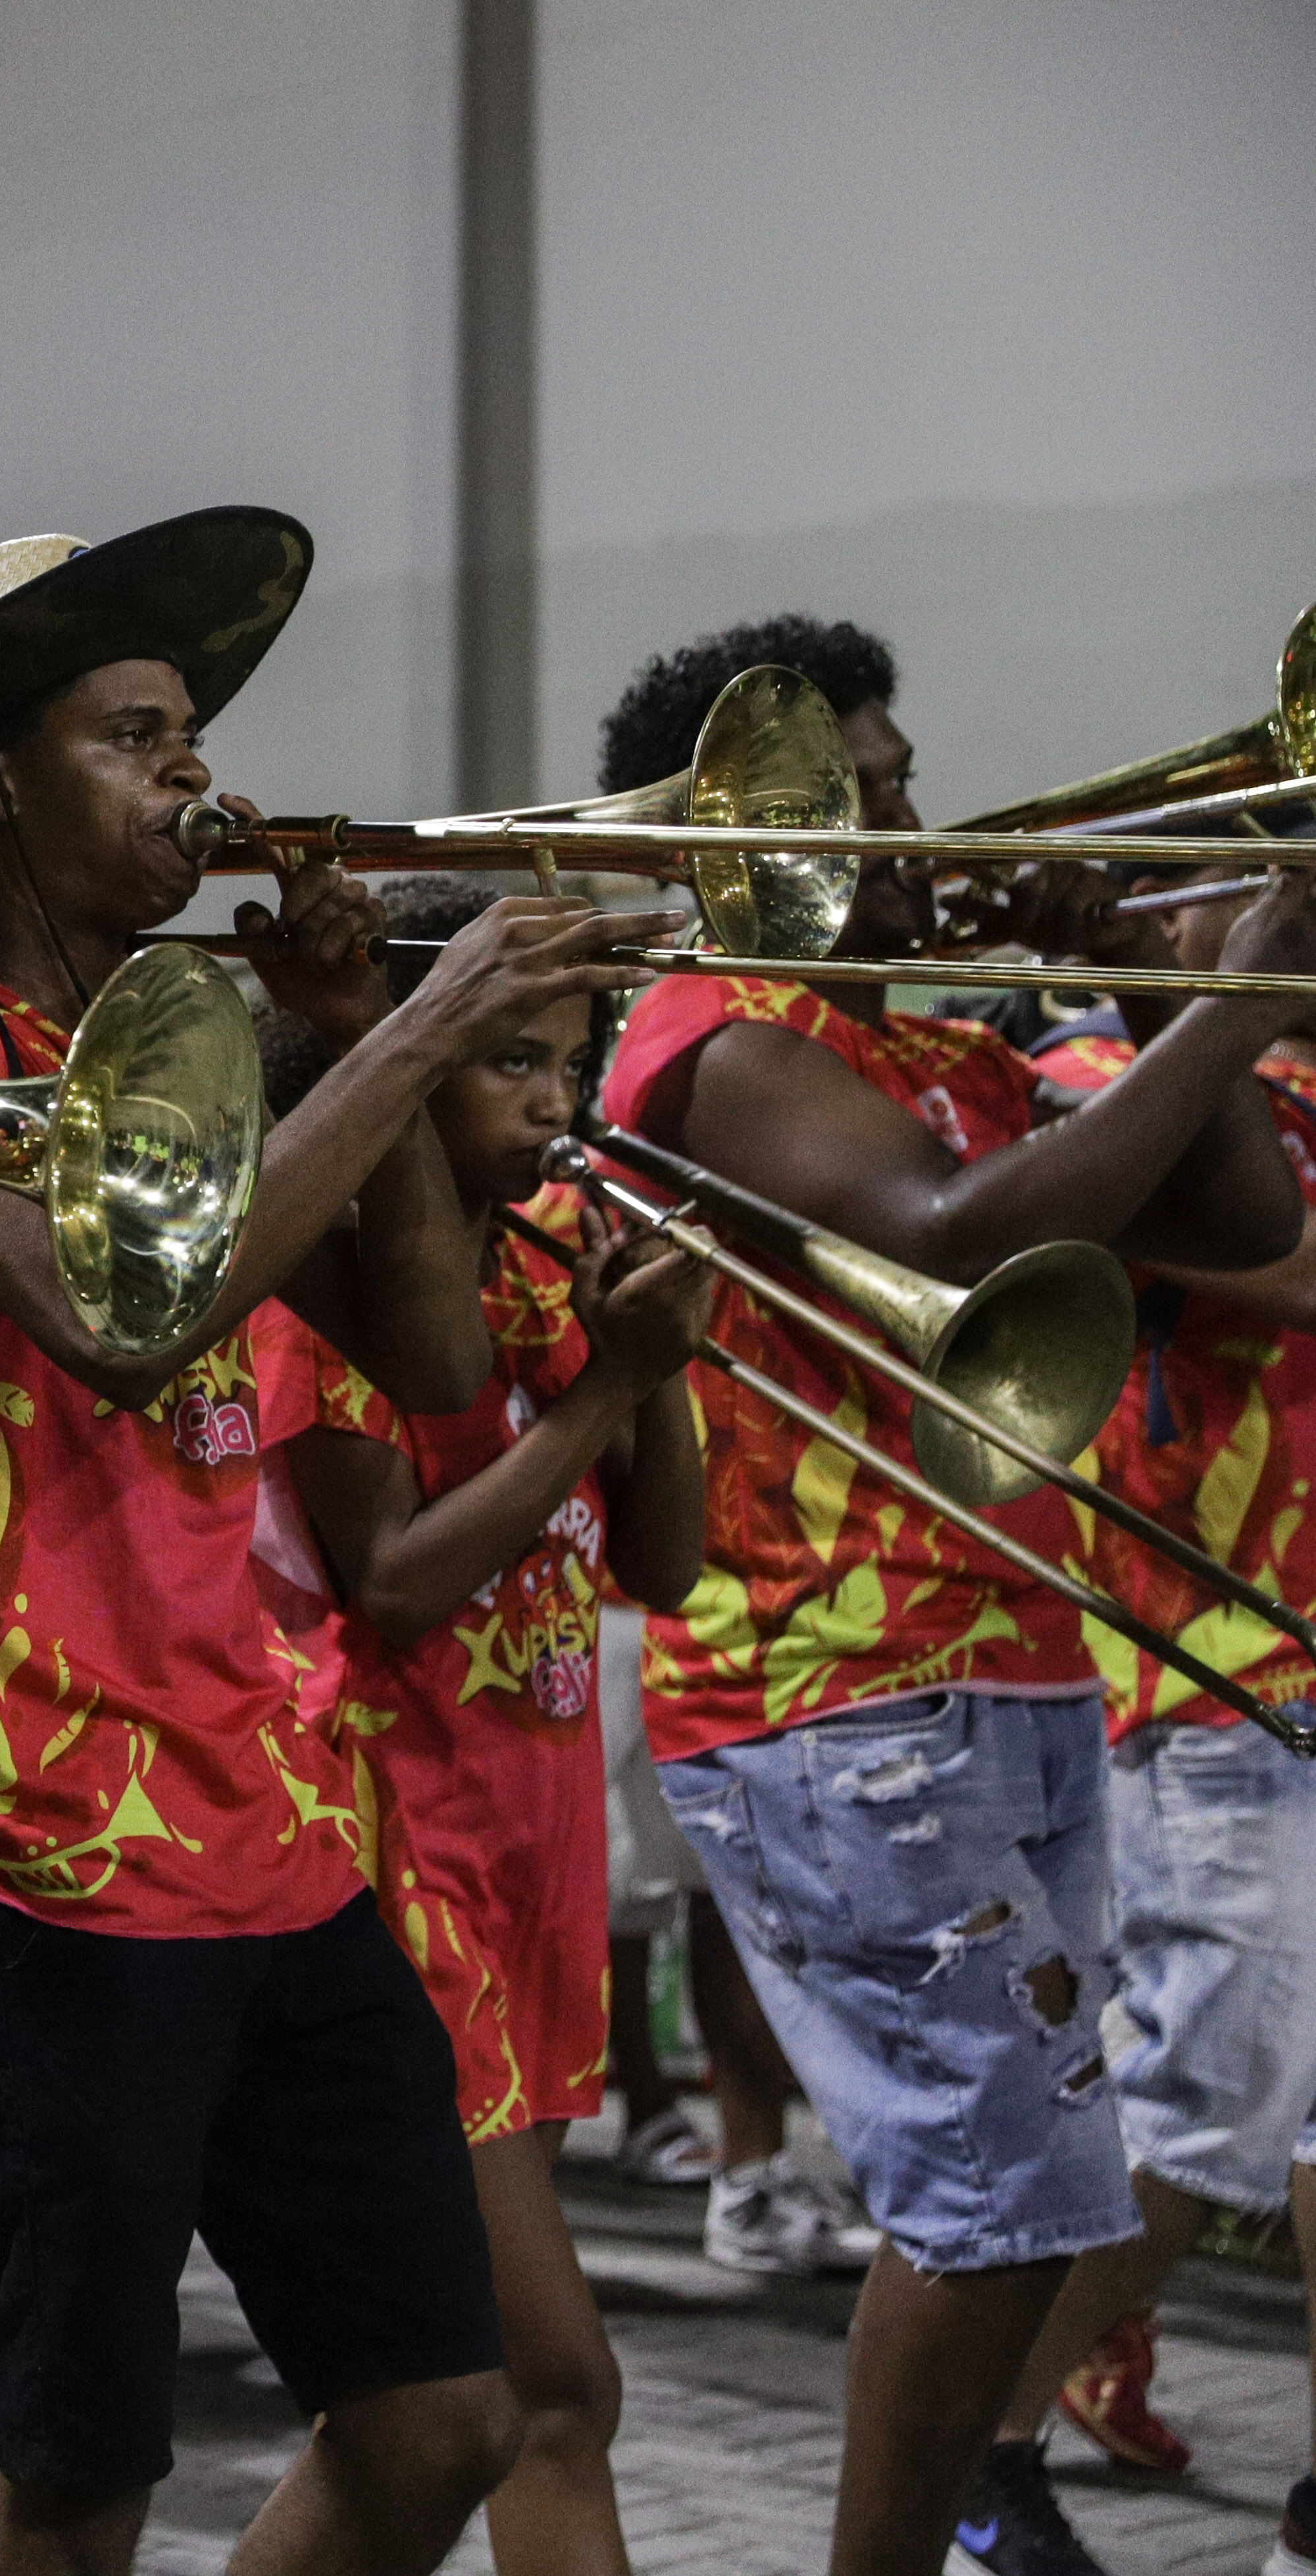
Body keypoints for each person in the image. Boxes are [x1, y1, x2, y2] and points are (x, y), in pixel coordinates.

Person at [0, 511, 642, 2576]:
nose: (192, 778)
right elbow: (115, 1311)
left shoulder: (193, 1021)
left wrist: (344, 1035)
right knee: (79, 2473)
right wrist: (415, 1040)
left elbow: (424, 1350)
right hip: (39, 1841)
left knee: (440, 2415)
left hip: (282, 1821)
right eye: (133, 733)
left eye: (188, 733)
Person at [591, 617, 1316, 2576]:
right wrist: (1227, 1011)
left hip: (997, 1655)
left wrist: (1159, 975)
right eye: (870, 787)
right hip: (833, 1692)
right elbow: (949, 1237)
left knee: (1041, 2186)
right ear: (729, 827)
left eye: (904, 775)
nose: (921, 815)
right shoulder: (715, 1037)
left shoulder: (921, 1028)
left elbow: (1242, 1221)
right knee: (993, 2188)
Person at [253, 877, 715, 2576]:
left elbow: (658, 1564)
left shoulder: (530, 1260)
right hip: (390, 1861)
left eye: (567, 1060)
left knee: (422, 2412)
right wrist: (597, 1389)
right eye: (504, 1058)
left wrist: (646, 1362)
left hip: (517, 1861)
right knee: (544, 2386)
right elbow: (384, 1583)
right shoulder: (326, 1286)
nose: (549, 1095)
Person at [975, 868, 1316, 2576]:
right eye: (1244, 884)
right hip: (1214, 1682)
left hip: (1285, 1677)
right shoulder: (1094, 1083)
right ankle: (978, 2449)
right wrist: (1213, 1002)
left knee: (1287, 2114)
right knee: (1196, 2114)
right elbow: (1288, 1262)